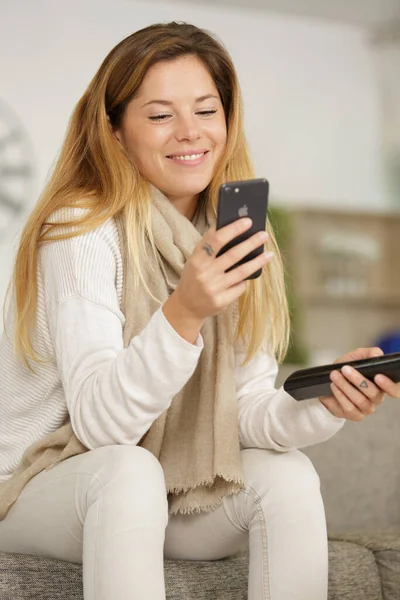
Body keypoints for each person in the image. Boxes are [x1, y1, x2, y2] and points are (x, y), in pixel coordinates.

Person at [0, 22, 399, 600]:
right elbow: (102, 427)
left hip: (160, 490)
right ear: (115, 134)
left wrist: (324, 404)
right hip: (38, 484)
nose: (190, 132)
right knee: (128, 473)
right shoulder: (79, 230)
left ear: (228, 121)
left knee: (284, 476)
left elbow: (242, 412)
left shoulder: (232, 234)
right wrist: (185, 312)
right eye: (160, 115)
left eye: (206, 110)